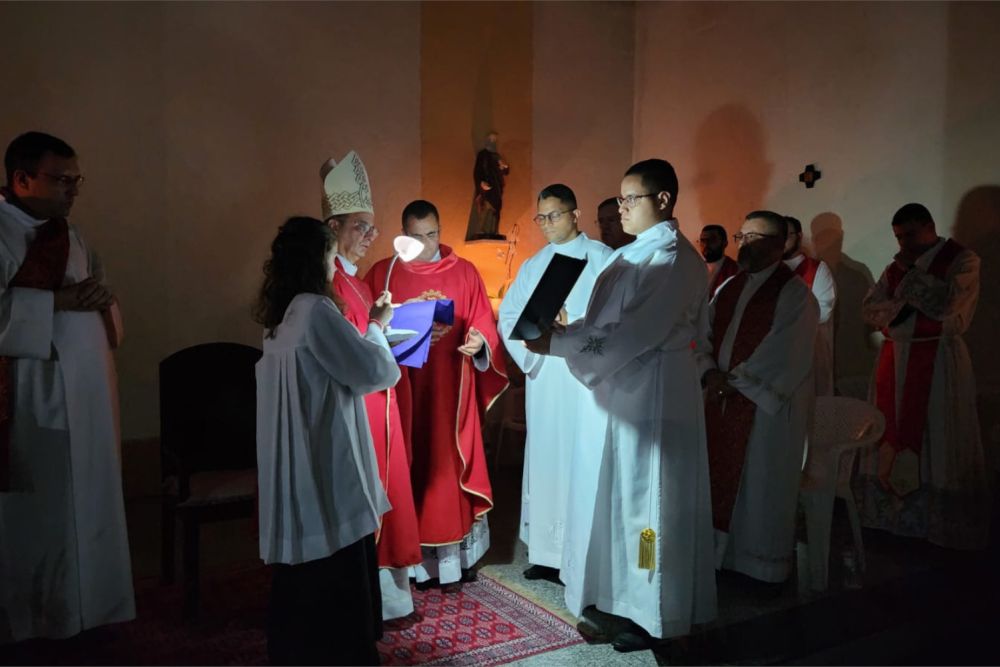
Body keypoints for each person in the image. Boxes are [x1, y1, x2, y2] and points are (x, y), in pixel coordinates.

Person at [525, 159, 717, 652]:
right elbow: (604, 323)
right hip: (621, 390)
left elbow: (634, 332)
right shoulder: (635, 253)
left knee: (648, 507)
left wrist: (560, 344)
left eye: (631, 199)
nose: (621, 208)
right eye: (620, 198)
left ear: (663, 200)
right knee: (616, 500)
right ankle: (617, 598)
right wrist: (565, 332)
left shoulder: (671, 260)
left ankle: (654, 611)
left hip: (653, 395)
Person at [0, 131, 134, 643]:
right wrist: (56, 302)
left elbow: (93, 291)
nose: (73, 190)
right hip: (33, 399)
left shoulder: (71, 234)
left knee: (92, 501)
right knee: (43, 513)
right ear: (21, 179)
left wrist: (100, 298)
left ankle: (94, 608)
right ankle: (37, 620)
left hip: (90, 394)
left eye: (77, 180)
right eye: (62, 180)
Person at [254, 216, 398, 665]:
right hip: (325, 450)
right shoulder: (316, 309)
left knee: (305, 557)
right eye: (331, 256)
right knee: (336, 550)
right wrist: (377, 327)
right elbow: (371, 370)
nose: (335, 265)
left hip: (296, 454)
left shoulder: (279, 316)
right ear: (315, 260)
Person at [365, 200, 507, 586]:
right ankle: (409, 560)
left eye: (433, 235)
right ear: (403, 235)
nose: (426, 244)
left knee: (446, 466)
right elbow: (365, 326)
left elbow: (483, 322)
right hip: (404, 389)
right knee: (409, 464)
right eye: (416, 237)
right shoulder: (384, 272)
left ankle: (450, 563)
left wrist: (480, 342)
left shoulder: (464, 271)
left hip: (450, 388)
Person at [319, 152, 422, 619]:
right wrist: (380, 328)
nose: (369, 237)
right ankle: (370, 595)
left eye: (372, 228)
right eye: (360, 227)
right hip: (359, 409)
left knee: (389, 491)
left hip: (381, 403)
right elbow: (349, 349)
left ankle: (389, 594)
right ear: (334, 227)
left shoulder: (356, 283)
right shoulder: (330, 285)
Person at [695, 210, 818, 587]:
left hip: (764, 411)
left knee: (761, 484)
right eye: (742, 237)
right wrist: (709, 372)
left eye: (754, 238)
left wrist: (734, 382)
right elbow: (702, 334)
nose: (744, 245)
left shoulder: (796, 295)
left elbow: (786, 350)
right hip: (721, 400)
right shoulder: (728, 287)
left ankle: (760, 568)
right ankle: (719, 558)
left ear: (779, 244)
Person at [857, 203, 990, 550]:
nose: (904, 244)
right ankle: (894, 517)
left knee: (938, 434)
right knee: (892, 431)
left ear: (931, 226)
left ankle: (937, 525)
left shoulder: (962, 260)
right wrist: (904, 304)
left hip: (939, 359)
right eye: (899, 237)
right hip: (895, 358)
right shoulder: (895, 267)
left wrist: (908, 284)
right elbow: (870, 309)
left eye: (910, 235)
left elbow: (949, 305)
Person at [498, 184, 611, 583]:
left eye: (554, 215)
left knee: (581, 457)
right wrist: (534, 348)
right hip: (546, 376)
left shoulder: (603, 259)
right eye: (541, 217)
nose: (546, 224)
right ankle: (546, 553)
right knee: (547, 456)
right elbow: (508, 315)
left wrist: (571, 328)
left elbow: (614, 318)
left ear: (575, 215)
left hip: (583, 379)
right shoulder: (534, 264)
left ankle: (582, 554)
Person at [783, 215, 837, 396]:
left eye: (786, 235)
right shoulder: (770, 271)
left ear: (799, 236)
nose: (781, 240)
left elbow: (824, 311)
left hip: (810, 351)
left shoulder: (817, 269)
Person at [700, 224, 739, 299]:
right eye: (703, 240)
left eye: (712, 240)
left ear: (725, 243)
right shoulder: (694, 268)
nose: (706, 244)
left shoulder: (735, 270)